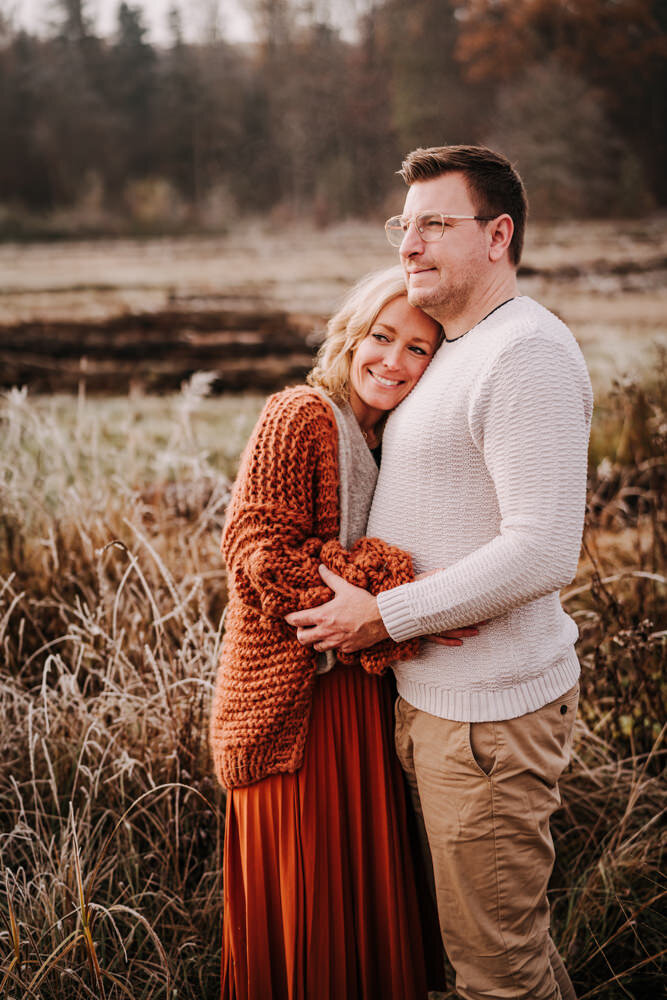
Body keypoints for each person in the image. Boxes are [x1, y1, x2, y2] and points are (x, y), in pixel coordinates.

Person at [285, 145, 594, 1000]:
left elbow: (542, 548)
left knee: (496, 978)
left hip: (486, 720)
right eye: (402, 226)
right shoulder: (461, 346)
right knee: (503, 957)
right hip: (443, 708)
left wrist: (388, 616)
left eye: (433, 225)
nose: (408, 245)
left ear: (497, 235)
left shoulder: (523, 353)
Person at [209, 265, 457, 1000]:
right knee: (309, 902)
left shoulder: (388, 437)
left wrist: (403, 612)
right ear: (351, 337)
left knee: (363, 897)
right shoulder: (303, 414)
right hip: (294, 706)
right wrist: (402, 603)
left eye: (418, 349)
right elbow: (261, 555)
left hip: (361, 700)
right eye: (381, 337)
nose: (394, 360)